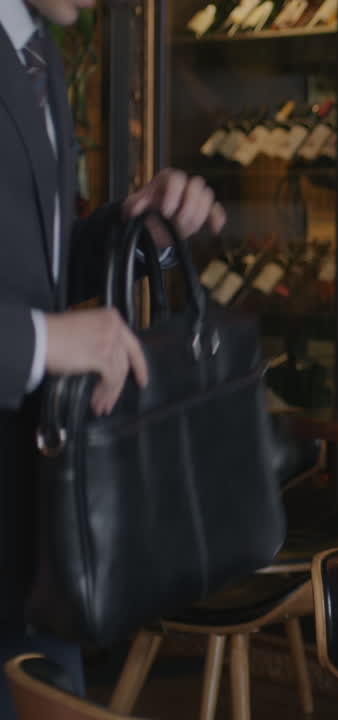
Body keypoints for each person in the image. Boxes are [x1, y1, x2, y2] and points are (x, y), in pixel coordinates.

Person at [0, 1, 226, 715]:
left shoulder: (38, 51)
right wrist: (46, 342)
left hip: (31, 538)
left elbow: (38, 269)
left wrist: (138, 228)